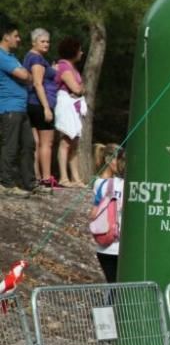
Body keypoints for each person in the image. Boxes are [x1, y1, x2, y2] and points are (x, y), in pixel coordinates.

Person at [0, 14, 36, 193]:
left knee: (28, 145)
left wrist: (27, 76)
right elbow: (24, 76)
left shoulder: (12, 57)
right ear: (6, 36)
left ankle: (29, 183)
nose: (19, 39)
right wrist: (27, 76)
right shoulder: (1, 56)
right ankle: (6, 184)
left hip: (21, 108)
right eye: (16, 36)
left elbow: (26, 76)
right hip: (10, 108)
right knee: (11, 146)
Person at [24, 28, 58, 188]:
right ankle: (46, 177)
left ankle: (36, 176)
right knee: (46, 143)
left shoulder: (31, 57)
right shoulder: (36, 59)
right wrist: (46, 108)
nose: (46, 44)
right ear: (34, 42)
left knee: (35, 142)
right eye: (42, 41)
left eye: (47, 41)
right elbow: (37, 83)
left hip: (31, 103)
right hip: (39, 104)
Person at [53, 37, 86, 187]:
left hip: (75, 107)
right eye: (80, 50)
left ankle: (76, 178)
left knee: (75, 142)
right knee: (66, 140)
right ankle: (64, 177)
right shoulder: (64, 67)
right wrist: (81, 90)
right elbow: (77, 89)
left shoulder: (72, 67)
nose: (82, 52)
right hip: (66, 106)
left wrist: (80, 90)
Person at [91, 143, 125, 282]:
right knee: (122, 289)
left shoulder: (102, 184)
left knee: (111, 285)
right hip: (121, 247)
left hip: (103, 246)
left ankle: (108, 304)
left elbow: (93, 214)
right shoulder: (128, 185)